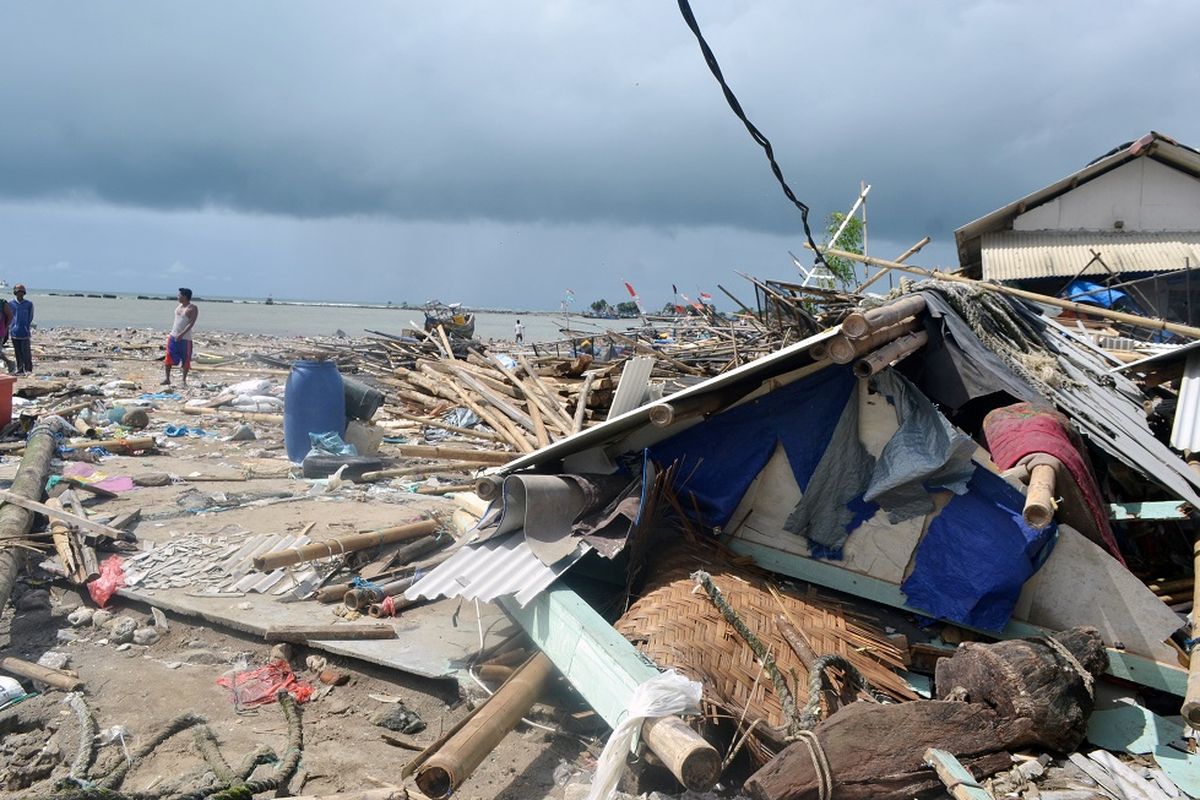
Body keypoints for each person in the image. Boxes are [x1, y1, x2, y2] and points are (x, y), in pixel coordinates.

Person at [163, 287, 198, 386]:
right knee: (168, 357)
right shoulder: (179, 306)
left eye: (179, 295)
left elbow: (191, 323)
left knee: (186, 359)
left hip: (185, 339)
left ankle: (183, 380)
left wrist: (181, 334)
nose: (177, 297)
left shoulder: (192, 308)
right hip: (173, 336)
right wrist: (175, 334)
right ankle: (167, 379)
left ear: (185, 296)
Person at [9, 285, 33, 375]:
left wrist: (26, 326)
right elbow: (9, 316)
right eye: (18, 291)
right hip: (14, 332)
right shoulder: (11, 303)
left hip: (25, 332)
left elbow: (30, 317)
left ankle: (28, 369)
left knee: (26, 353)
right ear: (15, 292)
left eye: (22, 292)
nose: (20, 293)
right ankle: (20, 369)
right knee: (17, 352)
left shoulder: (29, 304)